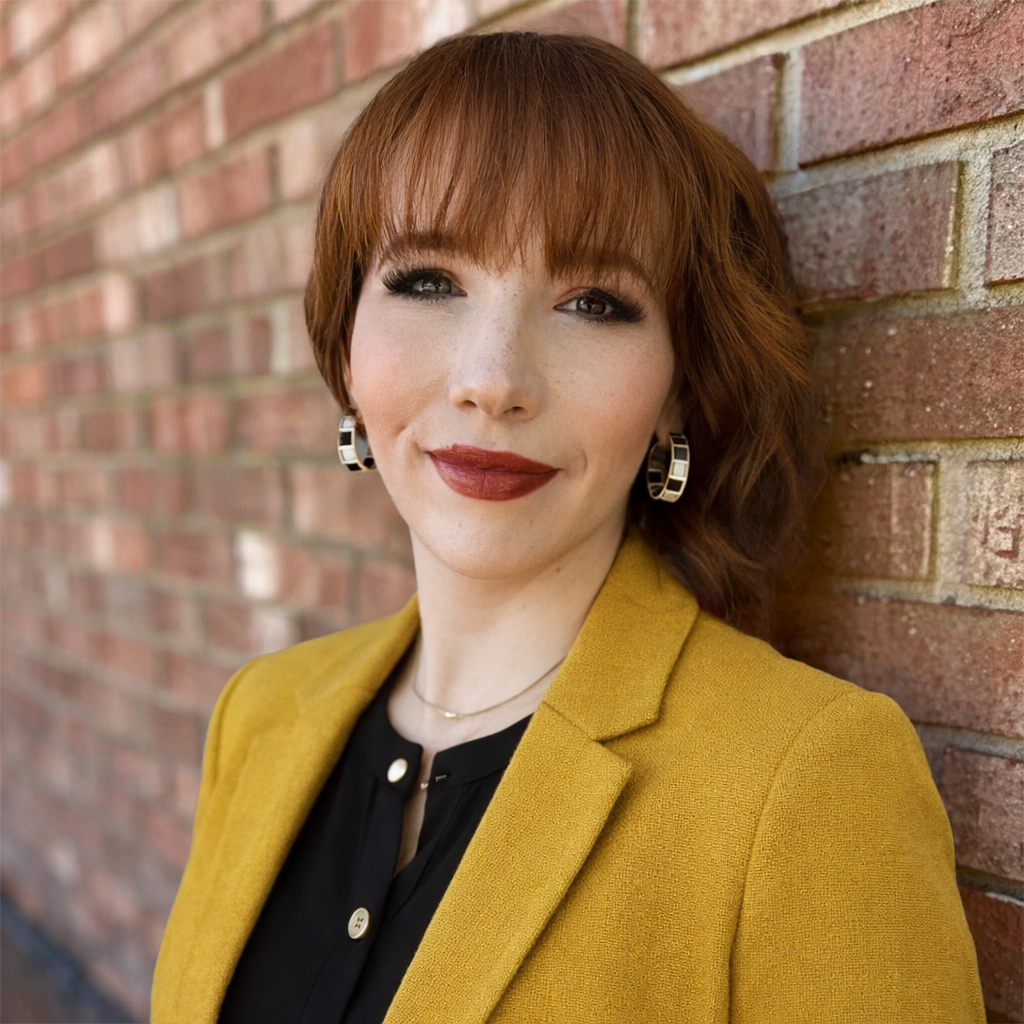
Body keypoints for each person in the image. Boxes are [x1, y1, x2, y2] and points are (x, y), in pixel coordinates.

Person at [151, 30, 985, 1024]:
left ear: (679, 389)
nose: (493, 378)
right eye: (428, 281)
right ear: (344, 344)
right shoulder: (258, 713)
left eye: (594, 302)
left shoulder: (806, 779)